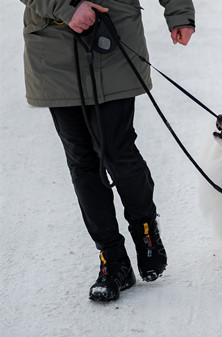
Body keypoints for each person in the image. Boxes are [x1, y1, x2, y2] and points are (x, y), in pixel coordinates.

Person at [21, 0, 195, 301]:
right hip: (52, 45)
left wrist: (179, 12)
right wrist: (64, 8)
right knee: (82, 161)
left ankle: (145, 230)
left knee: (118, 150)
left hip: (112, 36)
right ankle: (113, 261)